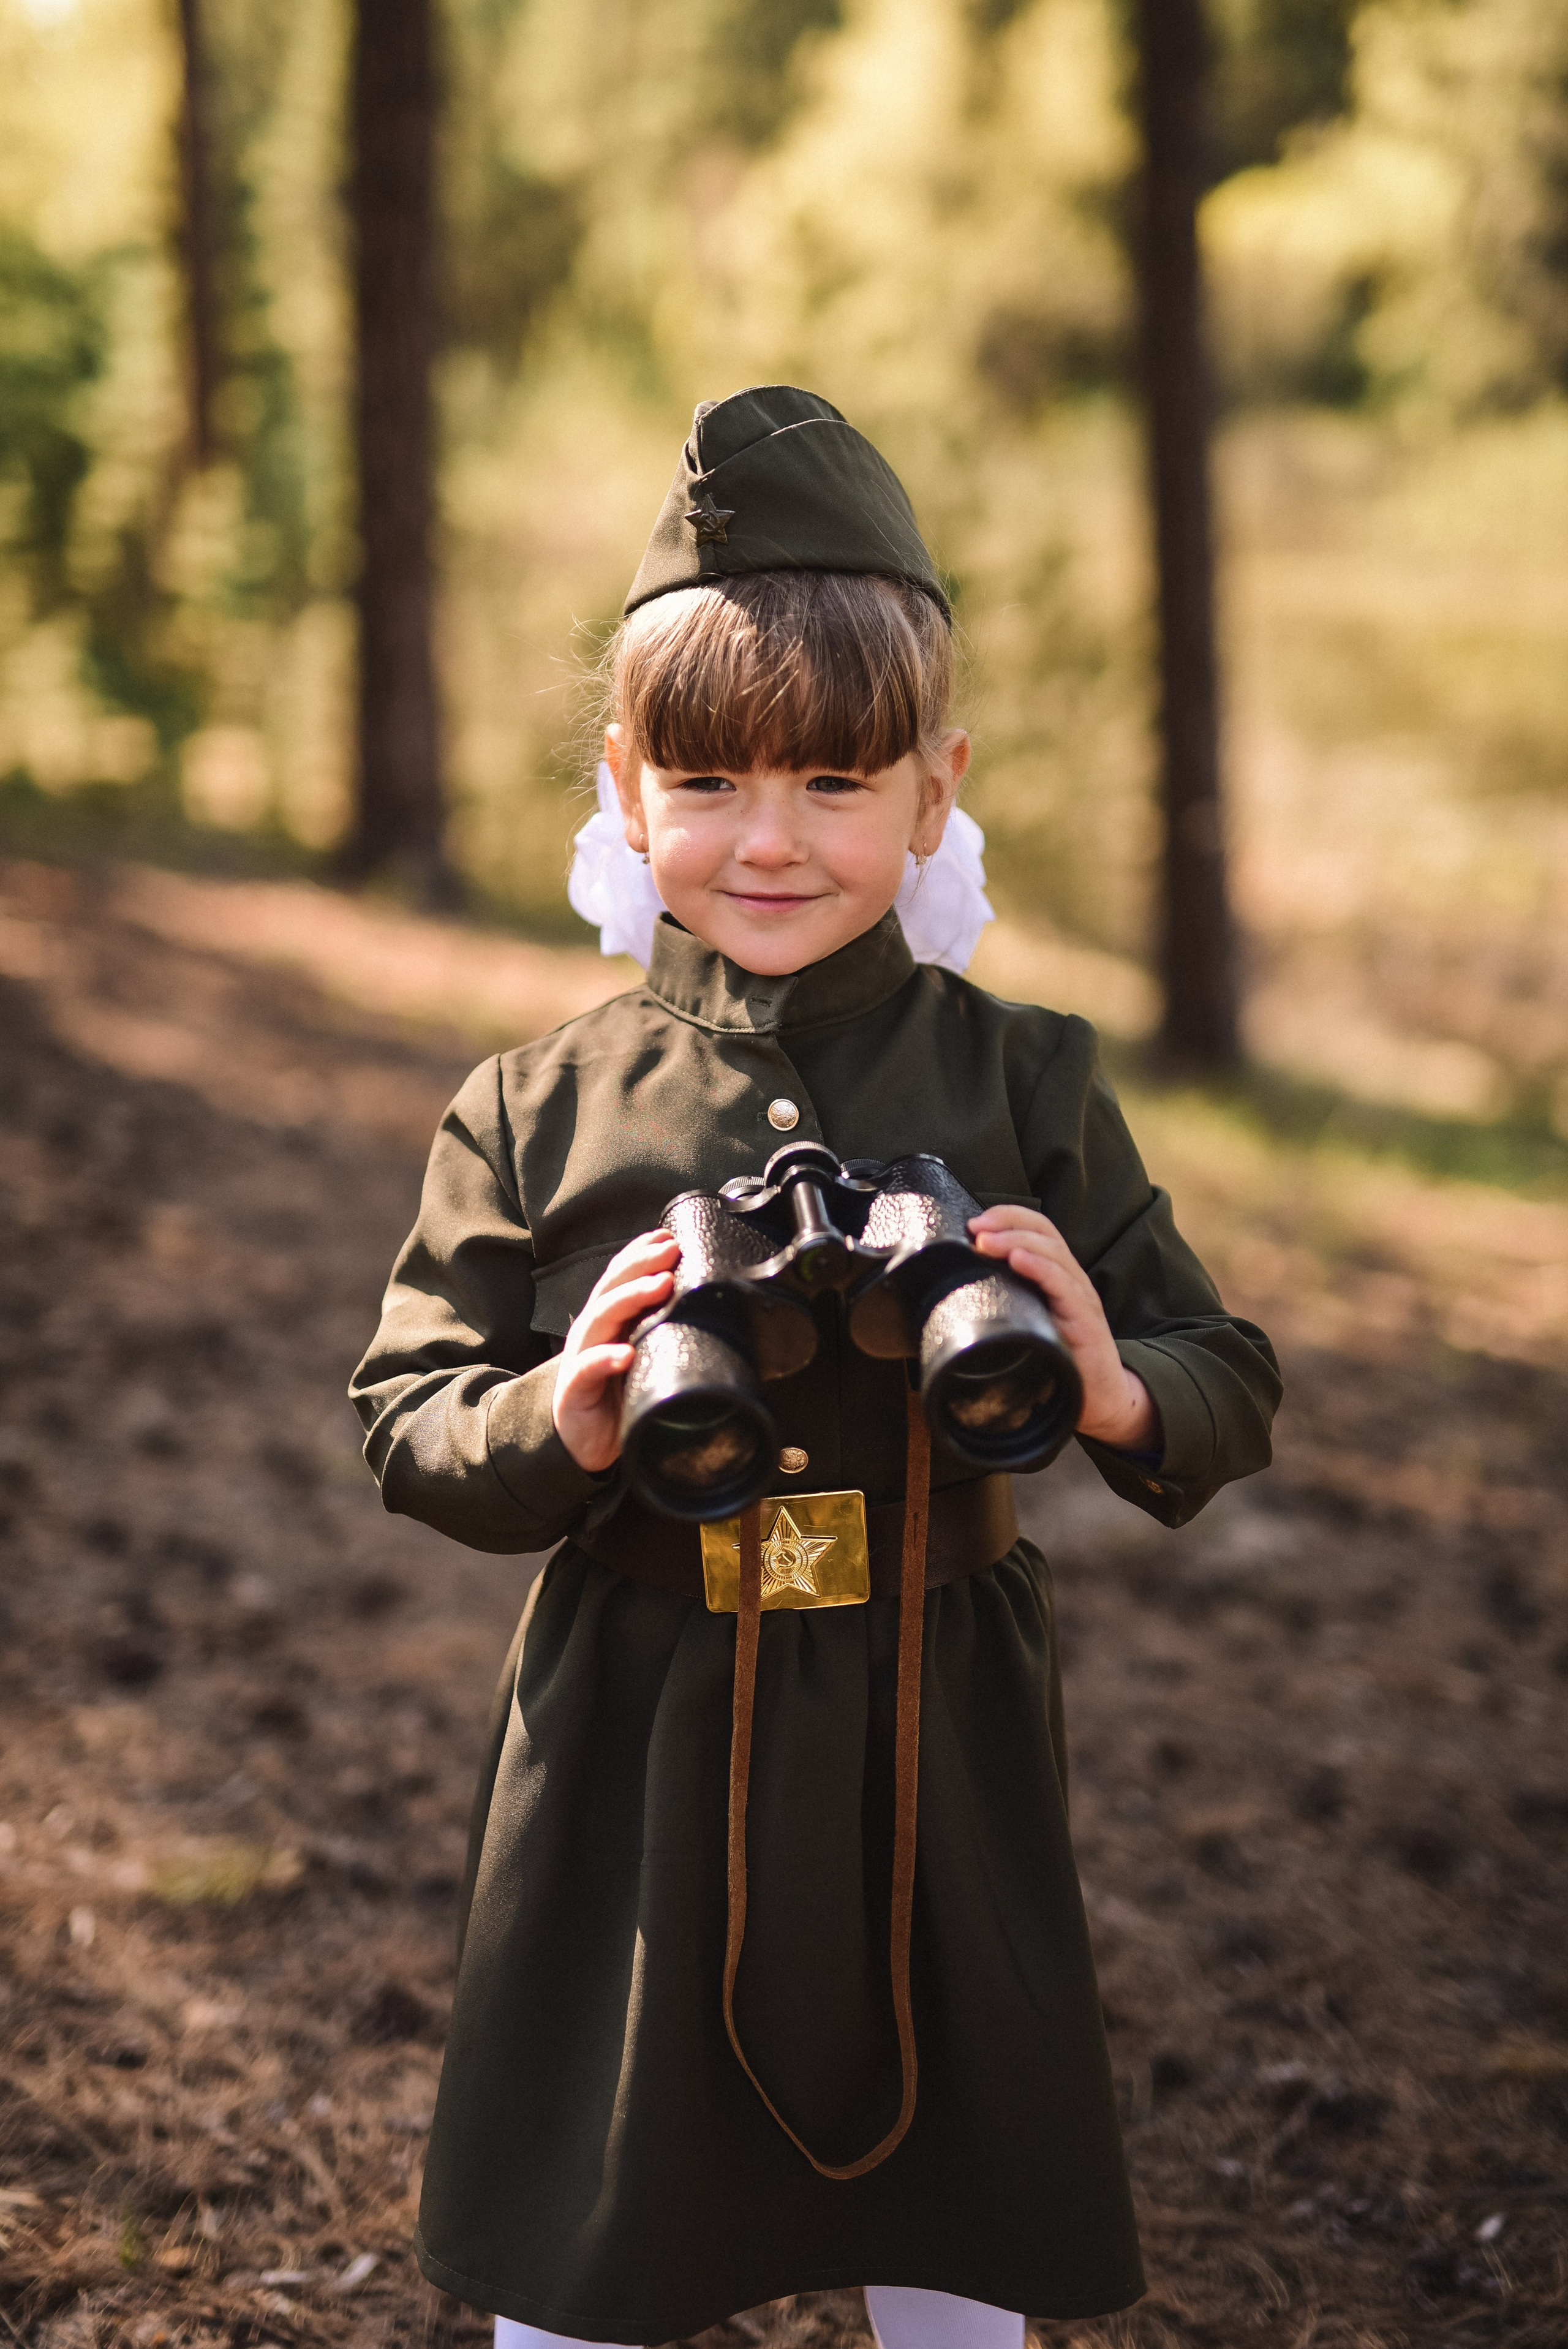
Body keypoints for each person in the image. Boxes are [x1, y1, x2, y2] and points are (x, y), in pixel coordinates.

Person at [350, 386, 1281, 2349]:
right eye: (709, 782)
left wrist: (1111, 1380)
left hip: (941, 1709)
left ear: (937, 787)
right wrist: (565, 1403)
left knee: (959, 2199)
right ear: (622, 785)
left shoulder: (1023, 1081)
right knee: (600, 2201)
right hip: (639, 1715)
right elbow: (406, 1413)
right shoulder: (536, 1107)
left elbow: (1228, 1372)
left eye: (838, 787)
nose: (768, 841)